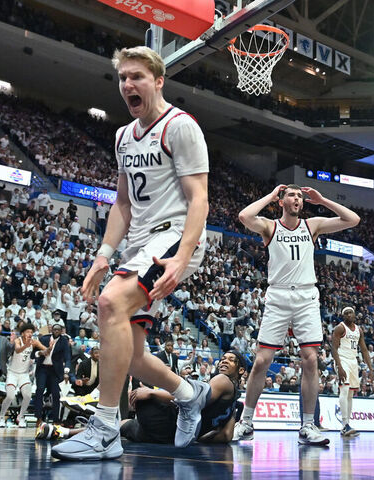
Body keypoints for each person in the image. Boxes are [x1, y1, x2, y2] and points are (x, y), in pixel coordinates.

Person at [52, 45, 210, 462]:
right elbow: (122, 204)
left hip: (175, 235)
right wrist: (104, 254)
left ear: (159, 81)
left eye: (136, 76)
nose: (127, 85)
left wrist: (183, 255)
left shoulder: (181, 127)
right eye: (122, 78)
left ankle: (104, 429)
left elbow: (199, 199)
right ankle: (190, 395)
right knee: (134, 355)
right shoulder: (123, 136)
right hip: (140, 242)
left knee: (109, 303)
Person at [233, 184, 360, 446]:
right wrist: (270, 195)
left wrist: (323, 200)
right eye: (291, 195)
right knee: (261, 361)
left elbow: (353, 220)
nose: (297, 199)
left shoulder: (311, 225)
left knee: (311, 359)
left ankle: (307, 425)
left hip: (306, 296)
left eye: (300, 197)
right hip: (278, 296)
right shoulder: (270, 226)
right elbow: (245, 217)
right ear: (282, 201)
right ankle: (246, 422)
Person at [39, 350, 245, 445]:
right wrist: (196, 438)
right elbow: (226, 436)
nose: (223, 362)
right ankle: (62, 432)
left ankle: (97, 402)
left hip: (168, 422)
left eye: (231, 360)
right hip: (170, 437)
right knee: (124, 424)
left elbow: (192, 399)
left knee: (139, 382)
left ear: (241, 370)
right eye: (223, 358)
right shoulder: (234, 405)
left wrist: (153, 392)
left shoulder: (223, 380)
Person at [331, 306, 373, 437]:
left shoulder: (359, 330)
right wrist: (339, 366)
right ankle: (344, 425)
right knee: (344, 390)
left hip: (353, 361)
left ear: (355, 315)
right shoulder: (340, 328)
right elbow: (333, 348)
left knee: (350, 394)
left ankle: (347, 424)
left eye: (351, 313)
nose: (349, 315)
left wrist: (371, 368)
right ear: (343, 316)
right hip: (342, 359)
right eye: (346, 313)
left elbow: (365, 350)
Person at [0, 322, 37, 428]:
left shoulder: (34, 342)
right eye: (28, 332)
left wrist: (48, 349)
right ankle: (1, 417)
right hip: (13, 373)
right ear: (23, 333)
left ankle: (21, 416)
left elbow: (44, 348)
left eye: (31, 332)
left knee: (28, 396)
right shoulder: (17, 341)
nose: (30, 334)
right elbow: (18, 350)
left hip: (24, 374)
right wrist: (26, 346)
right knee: (10, 396)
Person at [34, 324, 74, 427]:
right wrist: (41, 353)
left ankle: (56, 419)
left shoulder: (64, 341)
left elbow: (67, 358)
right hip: (42, 368)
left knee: (56, 394)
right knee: (40, 390)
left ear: (61, 331)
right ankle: (38, 418)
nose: (56, 331)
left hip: (55, 371)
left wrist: (66, 371)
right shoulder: (44, 338)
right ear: (51, 329)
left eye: (58, 330)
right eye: (54, 329)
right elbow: (34, 354)